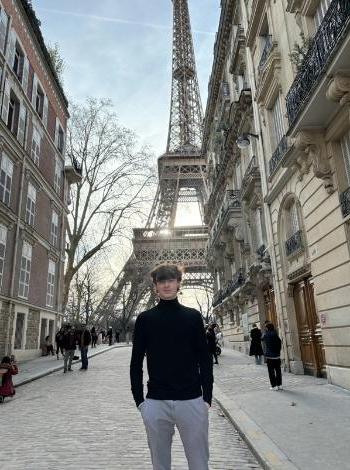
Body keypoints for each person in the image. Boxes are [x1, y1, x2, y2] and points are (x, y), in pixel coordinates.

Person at [130, 264, 213, 470]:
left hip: (192, 401)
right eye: (161, 281)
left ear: (178, 283)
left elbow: (205, 358)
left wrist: (207, 399)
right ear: (155, 286)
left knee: (199, 464)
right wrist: (140, 401)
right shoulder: (144, 319)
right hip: (156, 403)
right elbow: (136, 361)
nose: (166, 285)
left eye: (170, 280)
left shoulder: (193, 317)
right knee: (160, 465)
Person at [262, 322, 283, 390]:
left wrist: (265, 332)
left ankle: (274, 386)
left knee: (271, 372)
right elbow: (280, 342)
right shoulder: (275, 333)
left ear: (267, 328)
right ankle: (279, 385)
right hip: (277, 356)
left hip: (270, 356)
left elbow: (261, 338)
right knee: (278, 371)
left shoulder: (266, 334)